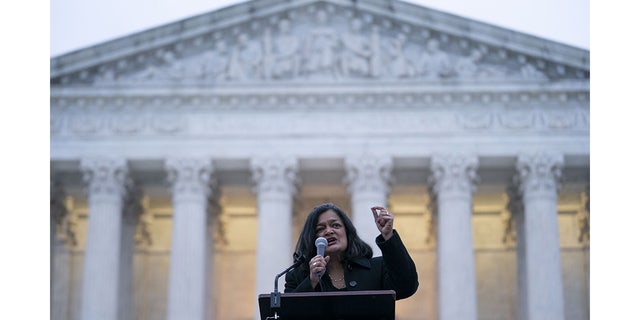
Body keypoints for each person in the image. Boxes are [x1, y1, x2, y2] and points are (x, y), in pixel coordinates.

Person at [284, 203, 419, 300]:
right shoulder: (297, 277)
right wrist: (311, 282)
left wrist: (388, 236)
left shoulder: (376, 269)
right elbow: (287, 314)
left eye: (335, 225)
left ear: (347, 233)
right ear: (312, 238)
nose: (329, 231)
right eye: (320, 229)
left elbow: (407, 286)